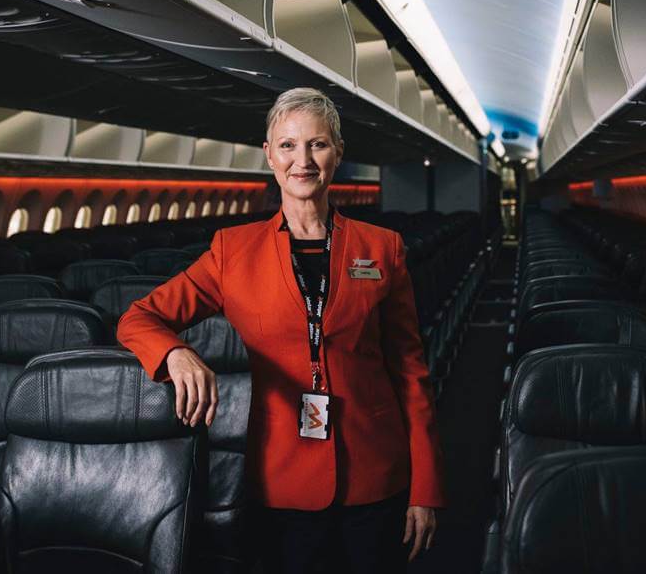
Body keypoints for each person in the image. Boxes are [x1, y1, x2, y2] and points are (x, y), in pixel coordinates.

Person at [117, 87, 445, 572]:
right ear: (269, 154)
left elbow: (411, 374)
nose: (303, 160)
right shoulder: (233, 251)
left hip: (376, 472)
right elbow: (139, 317)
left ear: (337, 152)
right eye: (289, 145)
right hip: (280, 477)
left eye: (318, 144)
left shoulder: (382, 248)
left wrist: (426, 487)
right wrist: (175, 355)